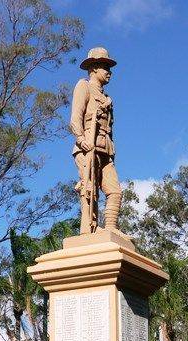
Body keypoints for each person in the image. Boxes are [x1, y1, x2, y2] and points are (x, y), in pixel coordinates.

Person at [70, 47, 122, 233]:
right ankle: (89, 230)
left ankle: (110, 229)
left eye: (109, 67)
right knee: (89, 190)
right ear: (93, 68)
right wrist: (81, 138)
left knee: (115, 191)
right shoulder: (83, 86)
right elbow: (75, 118)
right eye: (105, 67)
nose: (109, 72)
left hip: (105, 150)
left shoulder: (107, 98)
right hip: (87, 148)